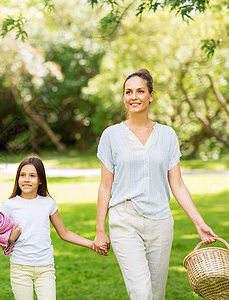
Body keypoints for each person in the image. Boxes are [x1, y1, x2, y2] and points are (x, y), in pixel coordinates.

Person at [93, 68, 217, 300]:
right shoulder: (111, 135)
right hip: (124, 219)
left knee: (156, 294)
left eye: (140, 91)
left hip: (160, 222)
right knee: (141, 293)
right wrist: (100, 229)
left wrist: (199, 223)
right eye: (128, 92)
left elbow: (177, 185)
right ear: (123, 97)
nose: (134, 97)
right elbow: (105, 186)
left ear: (151, 95)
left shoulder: (167, 135)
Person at [0, 156, 106, 300]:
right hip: (20, 268)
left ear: (40, 180)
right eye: (22, 175)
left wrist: (92, 244)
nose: (26, 179)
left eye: (32, 176)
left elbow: (64, 233)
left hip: (45, 268)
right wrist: (9, 238)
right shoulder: (9, 205)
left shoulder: (48, 203)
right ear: (17, 179)